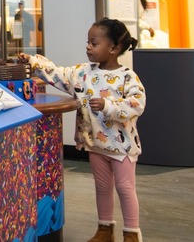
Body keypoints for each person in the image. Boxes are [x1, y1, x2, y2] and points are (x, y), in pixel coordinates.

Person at [19, 18, 145, 242]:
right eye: (88, 42)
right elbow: (58, 74)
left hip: (122, 147)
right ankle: (105, 229)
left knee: (125, 189)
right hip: (95, 145)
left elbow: (137, 104)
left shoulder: (128, 77)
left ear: (114, 48)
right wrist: (32, 61)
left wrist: (109, 106)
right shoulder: (83, 73)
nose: (88, 47)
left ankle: (132, 234)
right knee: (102, 187)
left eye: (94, 43)